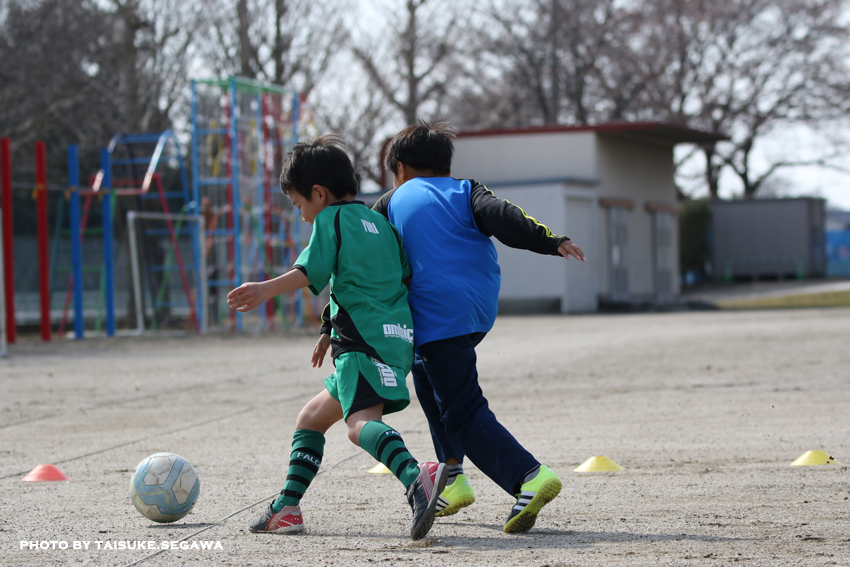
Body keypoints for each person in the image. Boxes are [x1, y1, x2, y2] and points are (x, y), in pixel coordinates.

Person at [368, 121, 584, 533]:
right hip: (477, 309)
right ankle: (453, 478)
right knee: (427, 376)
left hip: (437, 315)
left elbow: (360, 259)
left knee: (462, 410)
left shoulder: (392, 201)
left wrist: (330, 320)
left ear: (399, 167)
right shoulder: (466, 190)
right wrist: (550, 240)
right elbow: (503, 216)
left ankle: (528, 476)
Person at [227, 135, 447, 540]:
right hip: (394, 340)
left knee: (359, 424)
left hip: (361, 344)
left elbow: (312, 272)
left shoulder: (331, 219)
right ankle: (286, 508)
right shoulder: (381, 224)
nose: (303, 217)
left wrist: (263, 289)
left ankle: (419, 475)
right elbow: (379, 281)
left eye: (299, 206)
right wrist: (329, 329)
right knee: (311, 419)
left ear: (318, 193)